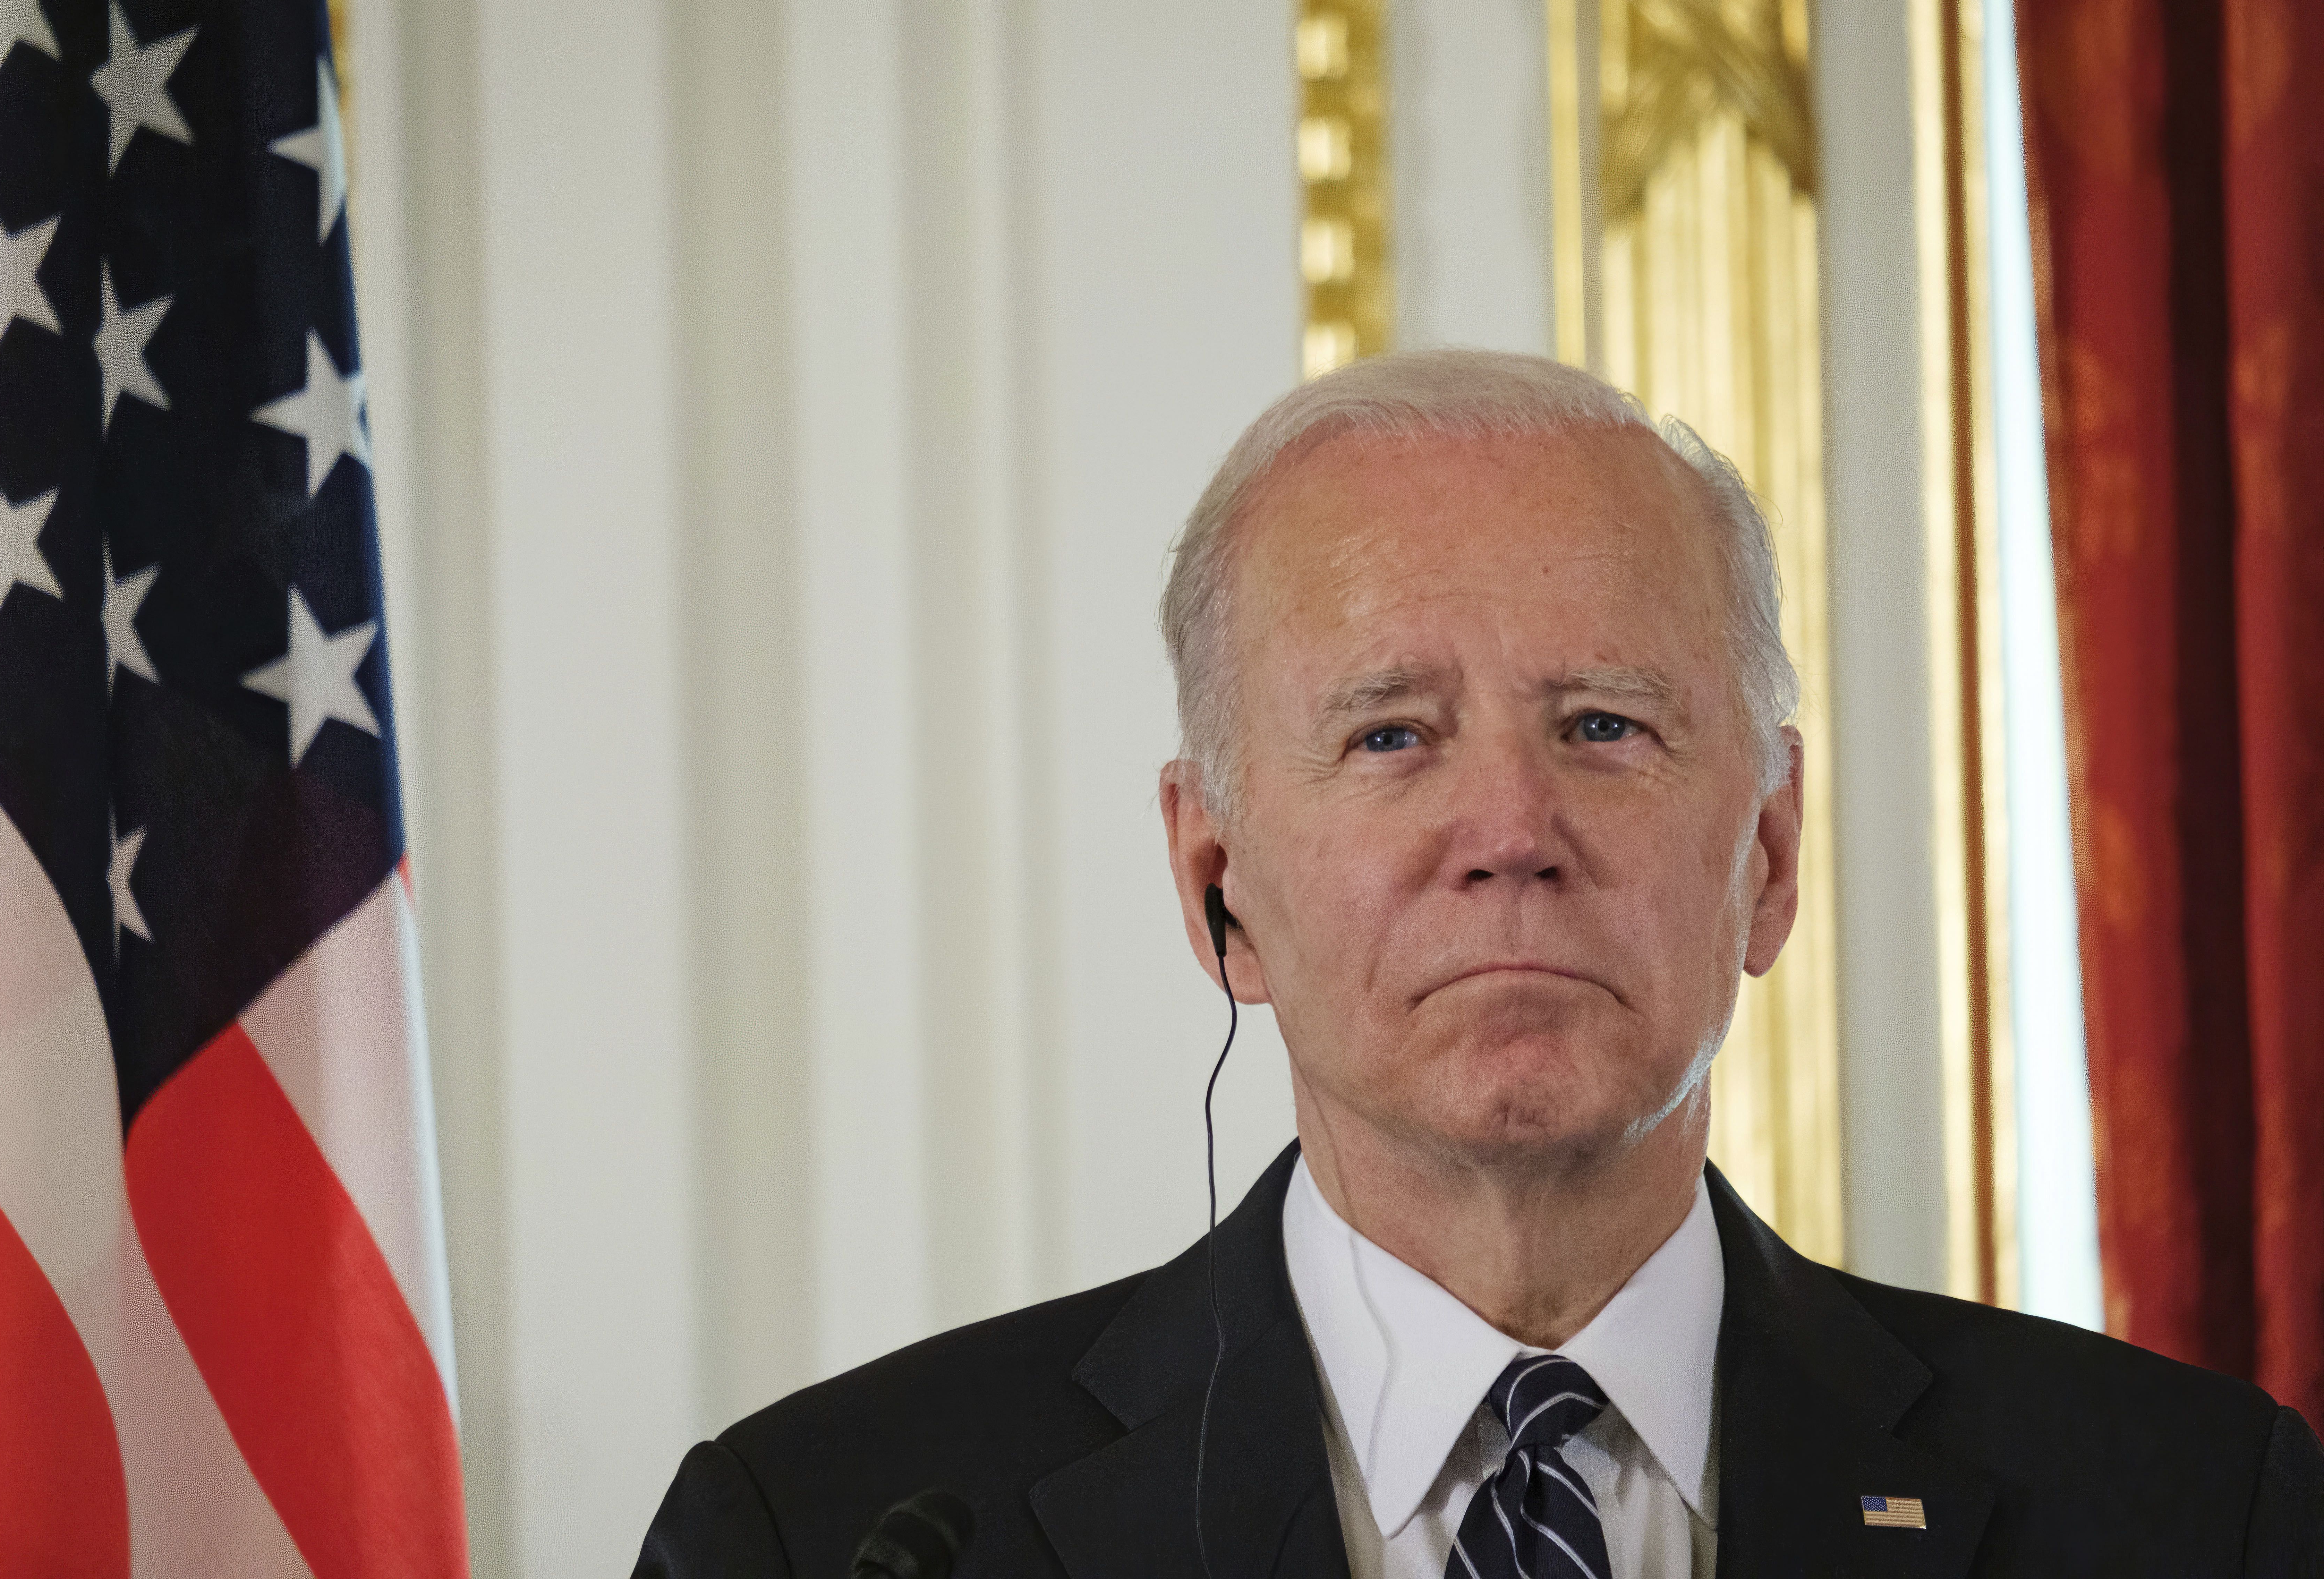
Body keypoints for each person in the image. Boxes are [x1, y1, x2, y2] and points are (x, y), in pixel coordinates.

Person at [634, 351, 2323, 1578]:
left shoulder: (2190, 1512)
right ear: (1215, 880)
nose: (1510, 828)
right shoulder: (837, 1532)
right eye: (1390, 736)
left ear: (1770, 854)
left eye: (1605, 724)